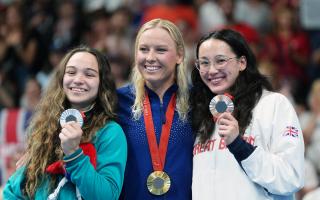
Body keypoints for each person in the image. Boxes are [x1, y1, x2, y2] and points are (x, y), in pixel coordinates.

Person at [190, 29, 304, 200]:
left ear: (242, 62)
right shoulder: (202, 115)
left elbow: (290, 177)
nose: (211, 70)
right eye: (204, 63)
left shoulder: (273, 105)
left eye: (220, 60)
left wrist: (240, 146)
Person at [3, 45, 127, 200]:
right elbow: (13, 191)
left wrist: (74, 154)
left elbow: (106, 196)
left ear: (102, 83)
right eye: (71, 72)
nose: (78, 80)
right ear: (62, 79)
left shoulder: (110, 132)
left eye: (89, 74)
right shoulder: (44, 127)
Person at [117, 18, 194, 199]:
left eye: (161, 50)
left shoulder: (198, 101)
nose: (150, 57)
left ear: (180, 55)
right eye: (143, 49)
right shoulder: (116, 101)